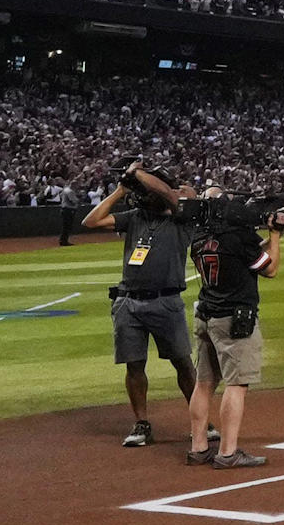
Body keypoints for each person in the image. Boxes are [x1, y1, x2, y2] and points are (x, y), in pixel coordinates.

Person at [81, 160, 197, 441]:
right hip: (128, 301)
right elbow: (91, 221)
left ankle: (201, 420)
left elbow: (178, 196)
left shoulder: (182, 215)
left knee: (183, 363)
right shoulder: (135, 217)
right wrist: (120, 190)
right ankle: (142, 423)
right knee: (134, 365)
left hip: (166, 301)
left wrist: (138, 173)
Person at [184, 179, 280, 467]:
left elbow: (245, 257)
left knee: (204, 383)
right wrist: (275, 236)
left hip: (206, 314)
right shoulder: (238, 237)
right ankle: (227, 452)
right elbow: (270, 268)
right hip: (233, 318)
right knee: (236, 384)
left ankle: (199, 447)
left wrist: (264, 240)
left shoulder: (198, 236)